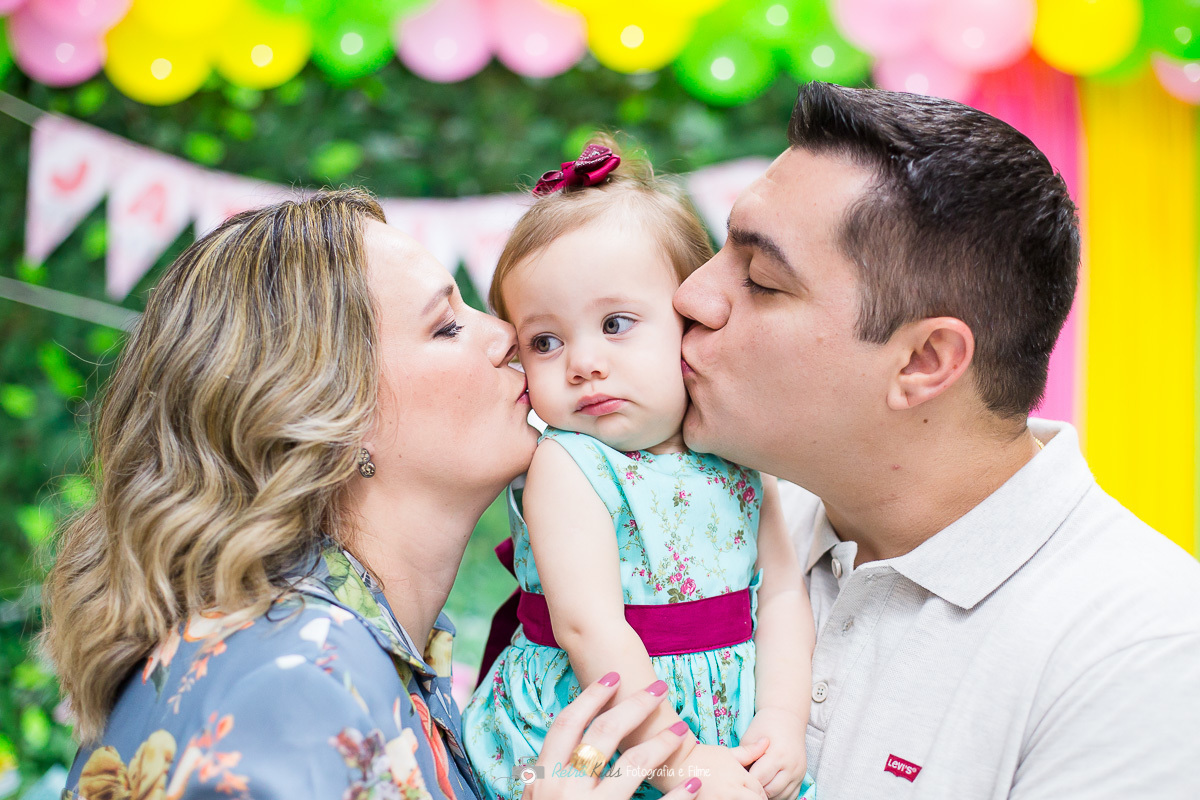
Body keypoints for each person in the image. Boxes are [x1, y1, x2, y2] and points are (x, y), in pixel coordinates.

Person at [42, 189, 706, 800]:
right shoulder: (294, 681)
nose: (506, 335)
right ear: (332, 418)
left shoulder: (348, 653)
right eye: (447, 325)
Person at [672, 82, 1200, 798]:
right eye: (720, 250)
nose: (693, 296)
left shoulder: (1143, 647)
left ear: (924, 362)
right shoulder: (714, 522)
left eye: (761, 278)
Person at [462, 139, 815, 800]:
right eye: (545, 341)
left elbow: (783, 594)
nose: (583, 362)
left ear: (688, 323)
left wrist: (782, 721)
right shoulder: (569, 464)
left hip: (724, 721)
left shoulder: (736, 456)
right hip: (599, 727)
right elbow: (587, 625)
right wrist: (678, 755)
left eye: (616, 323)